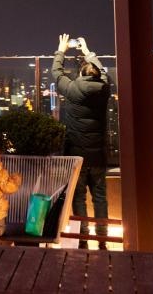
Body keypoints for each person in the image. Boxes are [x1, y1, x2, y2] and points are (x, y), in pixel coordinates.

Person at [53, 33, 111, 248]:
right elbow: (103, 72)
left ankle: (83, 238)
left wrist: (61, 50)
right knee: (100, 197)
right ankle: (103, 238)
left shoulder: (72, 89)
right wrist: (87, 52)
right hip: (98, 156)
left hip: (77, 155)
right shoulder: (104, 88)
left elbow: (57, 73)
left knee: (79, 197)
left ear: (80, 74)